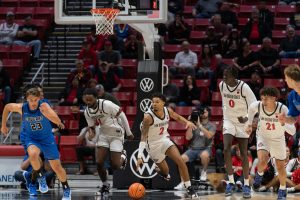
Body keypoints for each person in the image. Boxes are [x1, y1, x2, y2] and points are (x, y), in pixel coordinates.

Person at [1, 88, 71, 199]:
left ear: (39, 98)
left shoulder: (43, 106)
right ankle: (40, 177)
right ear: (27, 99)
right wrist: (3, 125)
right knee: (33, 155)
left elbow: (52, 114)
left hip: (46, 138)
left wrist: (58, 121)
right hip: (32, 138)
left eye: (35, 100)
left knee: (57, 167)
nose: (33, 103)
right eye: (31, 100)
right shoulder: (22, 108)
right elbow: (7, 107)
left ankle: (67, 189)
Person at [136, 93, 198, 198]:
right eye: (152, 102)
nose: (154, 104)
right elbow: (143, 137)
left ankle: (189, 188)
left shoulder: (167, 110)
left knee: (180, 160)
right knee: (165, 172)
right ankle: (158, 169)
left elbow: (177, 117)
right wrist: (139, 156)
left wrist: (188, 122)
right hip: (152, 145)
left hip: (164, 140)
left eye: (157, 102)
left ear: (163, 103)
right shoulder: (148, 117)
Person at [246, 87, 296, 200]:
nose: (263, 102)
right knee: (263, 161)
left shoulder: (282, 109)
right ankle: (259, 175)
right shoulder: (258, 105)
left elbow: (292, 131)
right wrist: (249, 124)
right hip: (263, 136)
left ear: (274, 98)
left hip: (278, 139)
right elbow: (250, 109)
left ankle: (282, 189)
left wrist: (283, 122)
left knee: (280, 167)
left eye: (266, 99)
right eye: (262, 99)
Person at [82, 88, 134, 196]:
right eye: (86, 100)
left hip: (116, 133)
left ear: (96, 98)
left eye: (90, 100)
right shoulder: (87, 111)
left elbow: (122, 115)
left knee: (115, 165)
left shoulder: (107, 104)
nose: (88, 102)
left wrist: (128, 132)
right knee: (99, 162)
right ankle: (105, 184)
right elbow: (91, 126)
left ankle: (123, 157)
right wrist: (91, 133)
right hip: (103, 135)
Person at [219, 66, 257, 198]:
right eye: (223, 74)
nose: (223, 77)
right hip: (229, 120)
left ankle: (246, 184)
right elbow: (225, 103)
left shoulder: (244, 87)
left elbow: (254, 106)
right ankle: (230, 182)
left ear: (234, 76)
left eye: (226, 75)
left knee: (243, 152)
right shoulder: (221, 85)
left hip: (242, 121)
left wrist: (247, 118)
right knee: (225, 148)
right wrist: (226, 117)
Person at [174, 106, 216, 190]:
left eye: (205, 112)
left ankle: (204, 173)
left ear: (209, 114)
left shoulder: (211, 125)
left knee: (204, 155)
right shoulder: (193, 124)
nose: (203, 114)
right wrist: (190, 124)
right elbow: (188, 138)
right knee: (181, 159)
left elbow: (209, 136)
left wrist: (200, 125)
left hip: (206, 148)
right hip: (193, 149)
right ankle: (183, 182)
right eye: (202, 112)